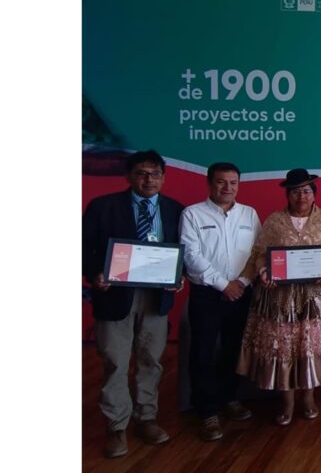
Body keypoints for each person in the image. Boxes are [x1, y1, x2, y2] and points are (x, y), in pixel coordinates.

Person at [82, 150, 184, 458]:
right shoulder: (103, 206)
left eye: (155, 174)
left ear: (163, 178)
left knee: (150, 360)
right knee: (115, 361)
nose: (149, 180)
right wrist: (95, 273)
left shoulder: (175, 210)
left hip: (156, 297)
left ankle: (146, 417)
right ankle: (116, 426)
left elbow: (184, 251)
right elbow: (83, 248)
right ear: (129, 176)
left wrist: (179, 276)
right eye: (142, 173)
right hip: (115, 296)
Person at [236, 169, 321, 426]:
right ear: (288, 194)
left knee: (310, 347)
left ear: (314, 194)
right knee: (285, 349)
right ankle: (287, 402)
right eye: (296, 192)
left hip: (318, 297)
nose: (302, 196)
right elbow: (260, 253)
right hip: (281, 298)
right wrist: (264, 271)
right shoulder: (274, 221)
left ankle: (309, 398)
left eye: (306, 191)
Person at [179, 162, 262, 441]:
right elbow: (191, 255)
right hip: (207, 294)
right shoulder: (192, 214)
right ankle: (207, 410)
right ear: (209, 183)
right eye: (221, 181)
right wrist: (223, 284)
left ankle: (229, 398)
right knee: (202, 352)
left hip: (241, 292)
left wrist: (243, 282)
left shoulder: (249, 214)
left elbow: (257, 253)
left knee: (233, 349)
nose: (228, 187)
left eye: (233, 182)